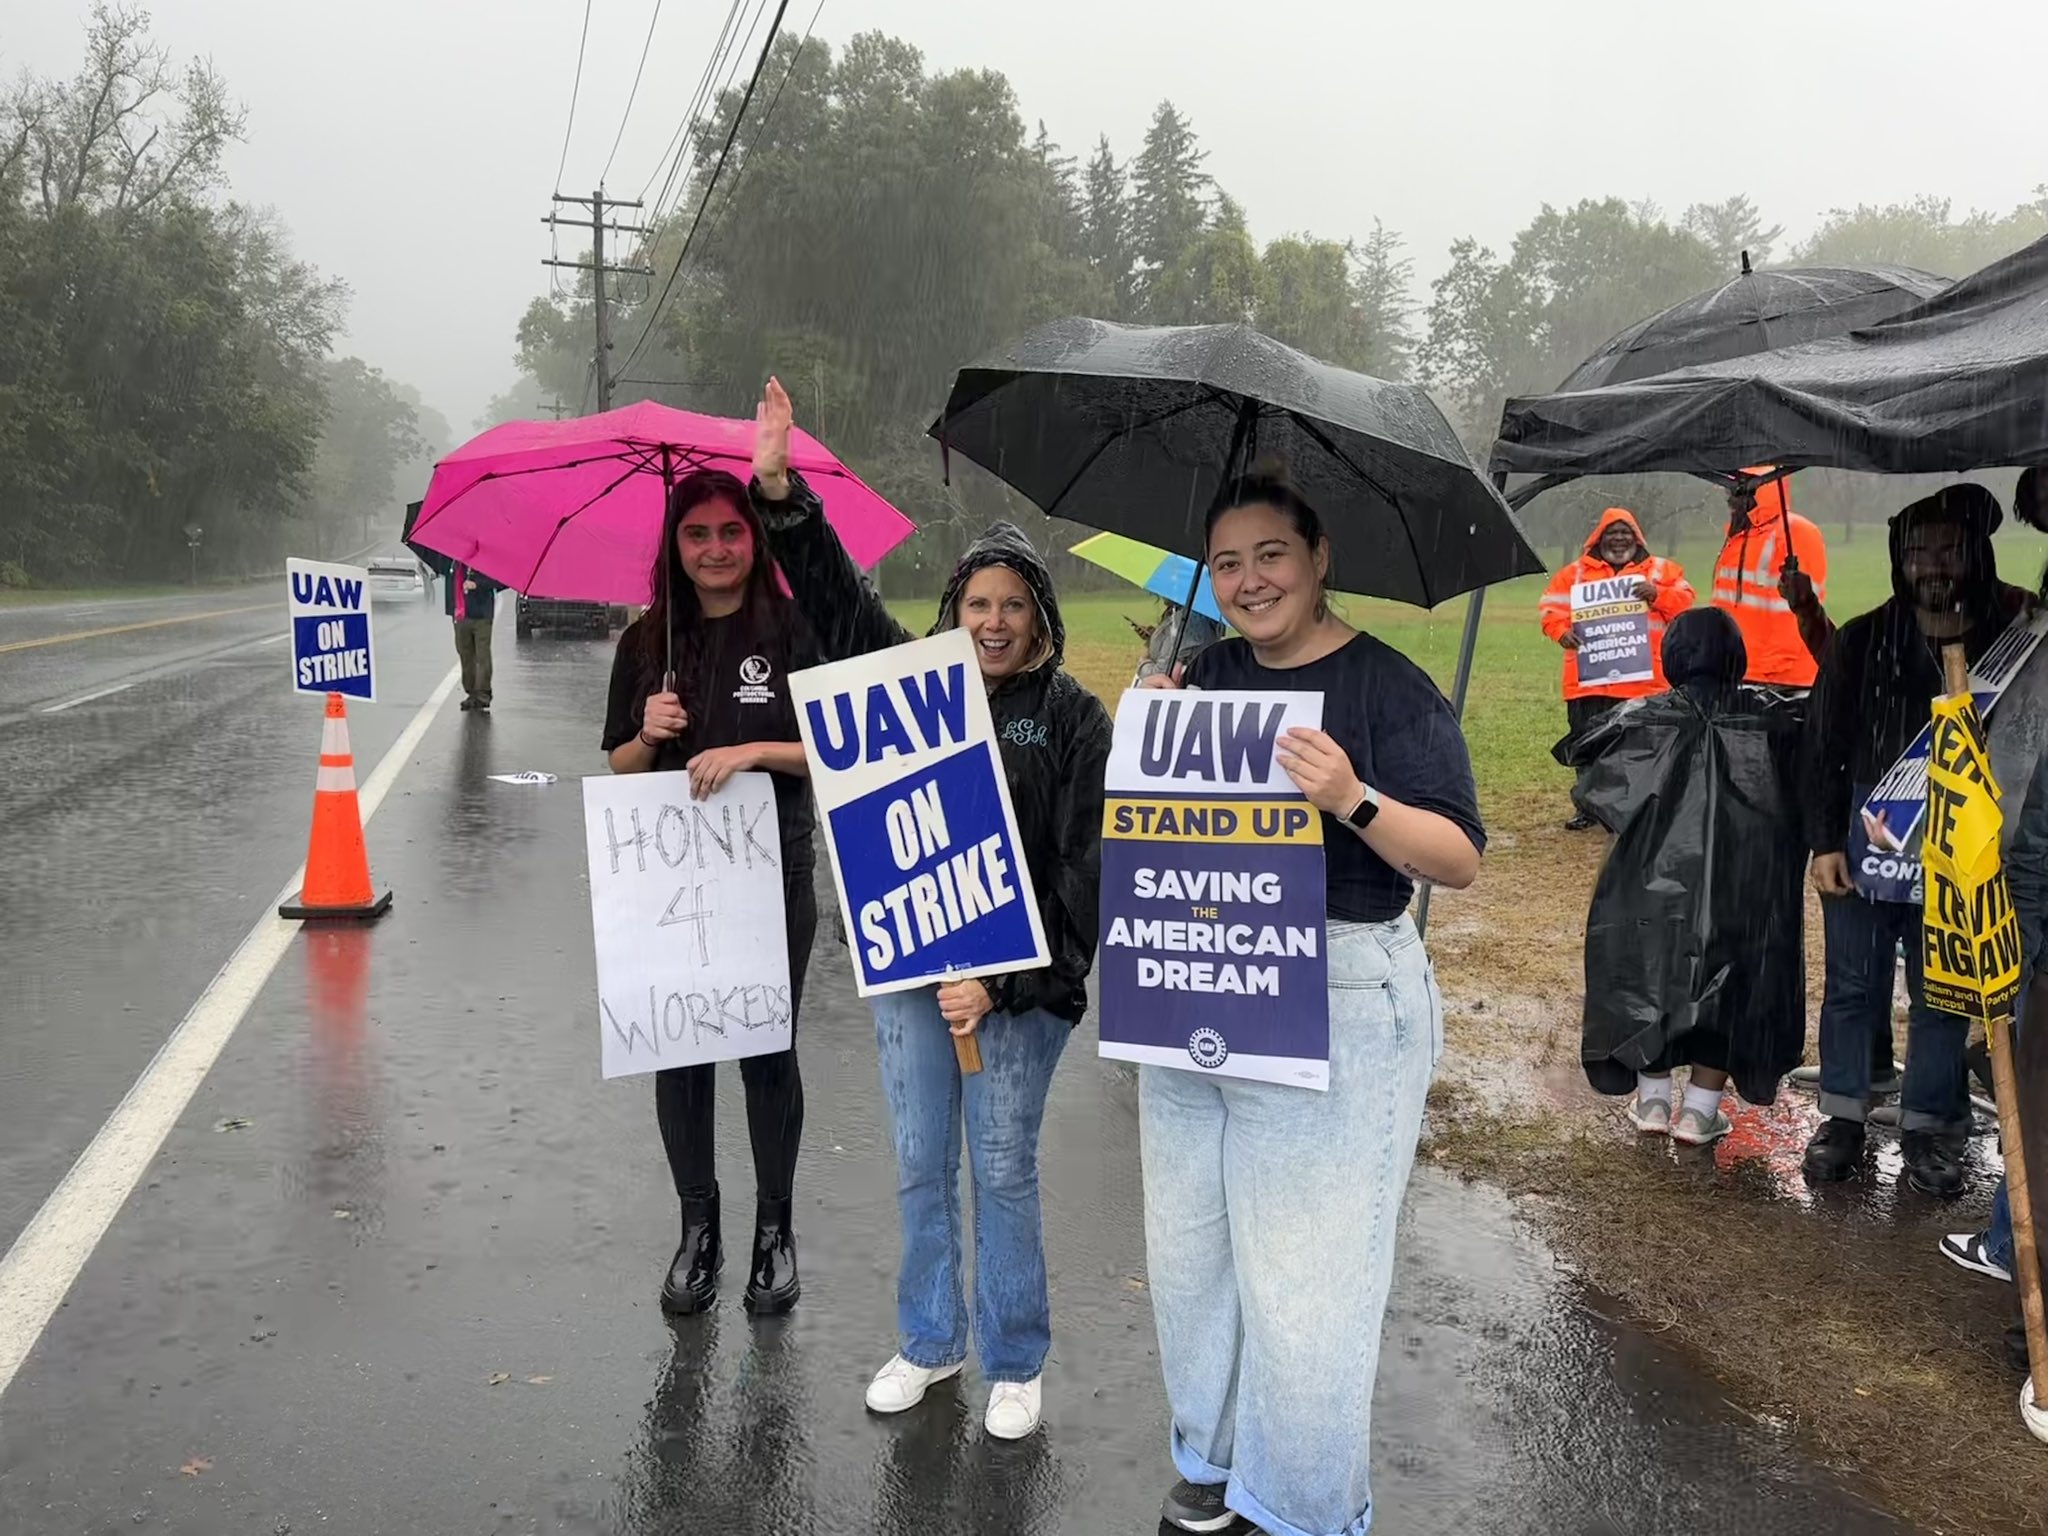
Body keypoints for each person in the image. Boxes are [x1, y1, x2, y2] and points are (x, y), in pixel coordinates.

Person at [748, 378, 1112, 1441]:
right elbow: (840, 607)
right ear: (953, 609)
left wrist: (1004, 977)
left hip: (1019, 992)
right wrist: (781, 497)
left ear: (1037, 615)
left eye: (1011, 606)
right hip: (913, 977)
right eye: (975, 604)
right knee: (919, 1163)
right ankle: (928, 1341)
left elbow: (1085, 872)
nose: (991, 623)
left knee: (999, 1167)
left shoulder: (1075, 717)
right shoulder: (916, 684)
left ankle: (1013, 1356)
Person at [1134, 469, 1484, 1536]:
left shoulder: (1387, 689)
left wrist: (1351, 797)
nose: (1248, 581)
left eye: (1270, 555)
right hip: (1198, 975)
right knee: (1192, 1254)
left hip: (1335, 988)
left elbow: (1457, 856)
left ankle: (1297, 1507)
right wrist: (1148, 744)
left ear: (1318, 556)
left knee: (1308, 1279)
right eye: (1227, 561)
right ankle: (1213, 1456)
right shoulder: (1198, 673)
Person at [600, 464, 819, 1318]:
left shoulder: (794, 630)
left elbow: (834, 751)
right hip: (668, 877)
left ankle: (774, 1230)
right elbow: (618, 764)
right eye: (698, 534)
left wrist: (755, 752)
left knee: (767, 1050)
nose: (716, 548)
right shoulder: (644, 644)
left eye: (731, 531)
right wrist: (647, 736)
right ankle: (699, 1227)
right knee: (679, 1050)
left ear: (753, 538)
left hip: (774, 868)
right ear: (675, 545)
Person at [1801, 485, 2008, 1196]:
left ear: (1974, 553)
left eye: (1948, 549)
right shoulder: (1862, 639)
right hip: (1865, 847)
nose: (1931, 565)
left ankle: (1930, 1128)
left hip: (1958, 852)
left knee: (1941, 994)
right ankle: (1844, 1118)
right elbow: (1823, 744)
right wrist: (1825, 840)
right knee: (1853, 989)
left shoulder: (2010, 634)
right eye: (1917, 551)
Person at [1563, 608, 1806, 1144]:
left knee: (1650, 978)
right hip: (1746, 883)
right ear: (1735, 657)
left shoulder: (1641, 718)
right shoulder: (1773, 719)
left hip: (1652, 882)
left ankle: (1652, 1103)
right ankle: (1699, 1110)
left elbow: (1592, 778)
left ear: (1671, 657)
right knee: (1733, 982)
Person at [1538, 507, 1695, 829]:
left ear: (1637, 539)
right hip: (1589, 681)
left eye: (1626, 533)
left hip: (1644, 681)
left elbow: (1686, 603)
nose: (1619, 538)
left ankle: (1638, 806)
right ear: (1599, 538)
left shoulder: (1662, 570)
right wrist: (1560, 632)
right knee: (1589, 746)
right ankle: (1589, 808)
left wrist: (1658, 595)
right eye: (1612, 533)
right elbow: (1551, 609)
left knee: (1642, 748)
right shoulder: (1573, 574)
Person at [1713, 472, 1830, 685]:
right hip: (1743, 675)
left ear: (1759, 490)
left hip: (1786, 682)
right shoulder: (1737, 538)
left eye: (1736, 491)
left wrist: (1764, 675)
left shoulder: (1797, 533)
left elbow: (1800, 607)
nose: (1729, 499)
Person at [446, 560, 505, 712]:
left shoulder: (486, 559)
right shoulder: (452, 561)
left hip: (482, 615)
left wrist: (478, 584)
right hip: (460, 614)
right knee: (465, 654)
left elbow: (501, 581)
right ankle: (471, 692)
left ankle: (483, 693)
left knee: (482, 655)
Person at [1134, 597, 1226, 682]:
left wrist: (1143, 664)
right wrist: (1156, 638)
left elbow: (1162, 675)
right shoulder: (1182, 614)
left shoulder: (1188, 620)